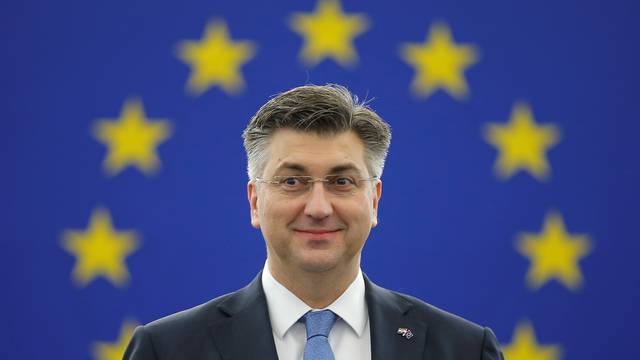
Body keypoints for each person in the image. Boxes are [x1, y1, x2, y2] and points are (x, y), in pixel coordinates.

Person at [124, 84, 504, 359]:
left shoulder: (465, 349)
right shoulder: (167, 349)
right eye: (293, 181)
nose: (319, 207)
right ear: (255, 202)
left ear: (374, 200)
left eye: (342, 181)